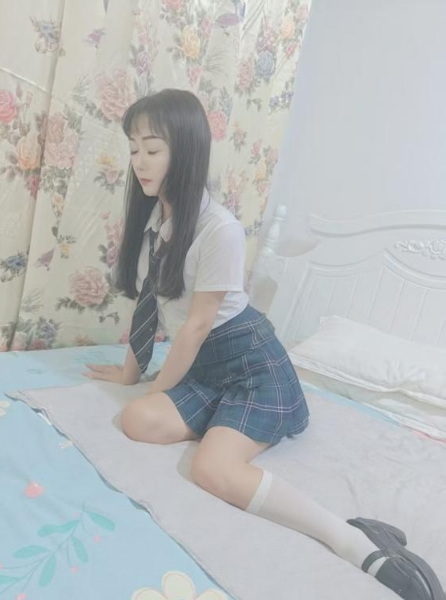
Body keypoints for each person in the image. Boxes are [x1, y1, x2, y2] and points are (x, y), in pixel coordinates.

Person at [84, 88, 444, 600]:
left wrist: (155, 387)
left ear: (185, 150)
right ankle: (224, 423)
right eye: (134, 148)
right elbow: (153, 306)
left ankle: (356, 540)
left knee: (212, 468)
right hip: (206, 368)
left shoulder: (220, 229)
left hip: (252, 367)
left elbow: (196, 326)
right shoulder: (156, 221)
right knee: (137, 420)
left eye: (153, 148)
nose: (139, 161)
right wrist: (131, 374)